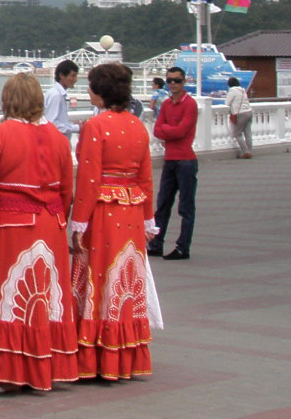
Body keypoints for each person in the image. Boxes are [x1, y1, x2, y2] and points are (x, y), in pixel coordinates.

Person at [0, 72, 77, 393]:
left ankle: (6, 373)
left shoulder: (0, 135)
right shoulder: (58, 138)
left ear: (8, 100)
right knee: (44, 300)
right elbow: (67, 191)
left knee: (6, 298)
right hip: (51, 225)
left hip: (10, 228)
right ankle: (44, 365)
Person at [71, 62, 157, 380]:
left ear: (100, 91)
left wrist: (78, 222)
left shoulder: (95, 126)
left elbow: (89, 179)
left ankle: (96, 356)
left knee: (100, 277)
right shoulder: (138, 126)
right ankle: (125, 355)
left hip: (104, 212)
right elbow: (146, 178)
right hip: (132, 211)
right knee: (126, 279)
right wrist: (148, 219)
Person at [148, 66, 198, 261]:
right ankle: (156, 244)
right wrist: (171, 130)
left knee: (185, 207)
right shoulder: (167, 104)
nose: (173, 84)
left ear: (184, 81)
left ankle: (183, 247)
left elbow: (182, 131)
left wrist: (168, 130)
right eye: (169, 80)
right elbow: (157, 130)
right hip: (170, 160)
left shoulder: (190, 104)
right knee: (162, 204)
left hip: (186, 161)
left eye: (177, 80)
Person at [43, 60, 81, 149]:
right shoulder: (56, 95)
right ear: (61, 75)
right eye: (73, 76)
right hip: (56, 146)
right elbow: (52, 124)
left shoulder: (55, 93)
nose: (75, 80)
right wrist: (77, 127)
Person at [224, 76, 252, 159]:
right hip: (249, 112)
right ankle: (249, 151)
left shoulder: (232, 91)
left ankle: (245, 152)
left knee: (237, 133)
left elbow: (227, 103)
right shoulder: (243, 90)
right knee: (248, 133)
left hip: (240, 113)